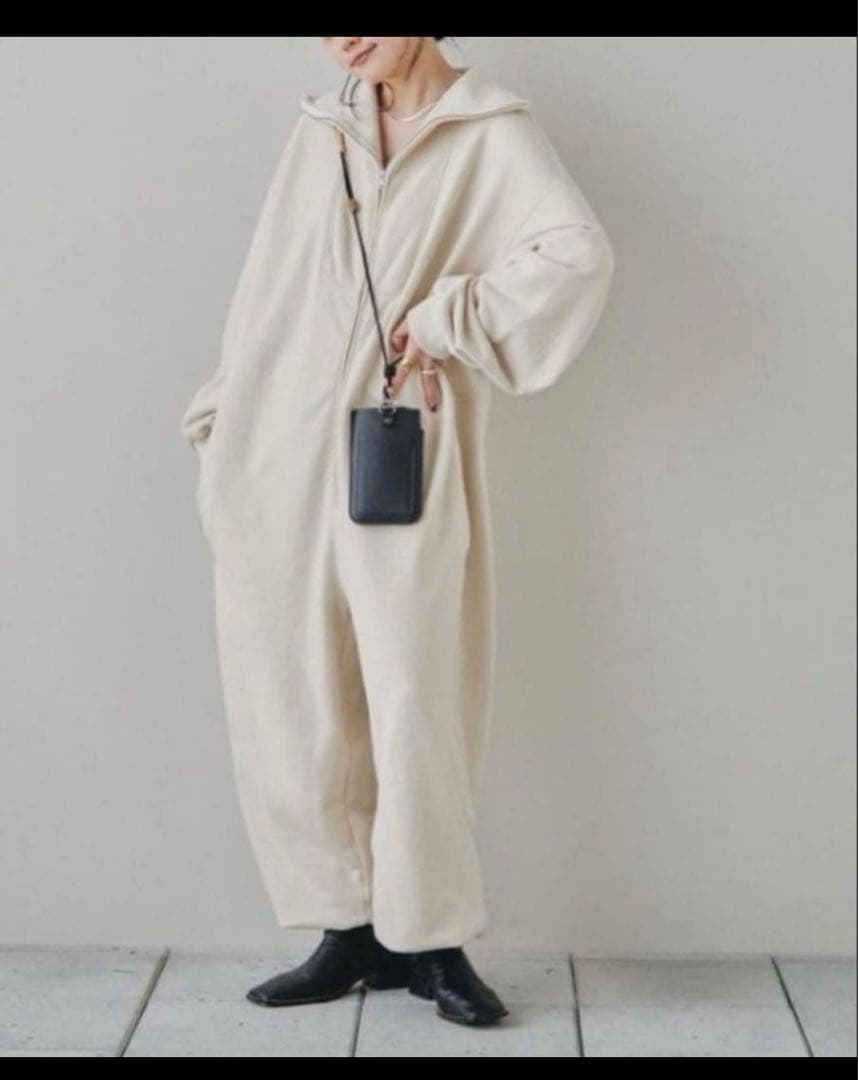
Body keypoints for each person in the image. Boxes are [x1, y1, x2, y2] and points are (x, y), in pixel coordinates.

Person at [180, 36, 615, 1028]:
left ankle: (433, 937)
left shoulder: (491, 131)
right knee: (294, 694)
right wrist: (222, 414)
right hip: (277, 445)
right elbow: (271, 284)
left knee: (416, 691)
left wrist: (449, 317)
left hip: (396, 440)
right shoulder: (323, 129)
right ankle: (348, 926)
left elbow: (577, 257)